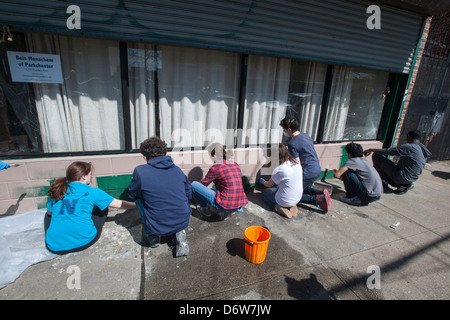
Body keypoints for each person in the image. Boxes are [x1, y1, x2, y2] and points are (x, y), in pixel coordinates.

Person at [45, 161, 136, 254]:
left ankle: (53, 234)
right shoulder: (93, 192)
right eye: (90, 174)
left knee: (48, 214)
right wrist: (137, 205)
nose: (91, 177)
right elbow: (120, 204)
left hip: (54, 246)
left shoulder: (57, 190)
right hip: (83, 241)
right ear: (83, 176)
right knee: (102, 208)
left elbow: (50, 213)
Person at [128, 137, 192, 257]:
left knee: (139, 199)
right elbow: (188, 193)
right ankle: (178, 231)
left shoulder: (140, 171)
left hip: (157, 226)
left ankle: (151, 236)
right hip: (183, 219)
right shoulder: (177, 170)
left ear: (146, 156)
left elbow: (132, 194)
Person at [279, 117, 332, 213]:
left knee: (292, 196)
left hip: (307, 172)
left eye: (284, 129)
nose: (284, 131)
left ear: (289, 130)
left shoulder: (292, 144)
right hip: (316, 169)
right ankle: (320, 193)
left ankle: (317, 199)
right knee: (302, 186)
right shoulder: (305, 136)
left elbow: (297, 164)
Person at [191, 143, 248, 221]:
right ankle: (232, 210)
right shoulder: (235, 164)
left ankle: (204, 209)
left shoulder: (215, 168)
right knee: (214, 191)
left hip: (225, 204)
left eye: (210, 155)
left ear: (214, 155)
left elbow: (203, 184)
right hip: (239, 203)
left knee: (194, 185)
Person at [364, 130, 431, 194]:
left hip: (402, 176)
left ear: (409, 137)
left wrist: (371, 150)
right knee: (389, 165)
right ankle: (404, 185)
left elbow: (389, 151)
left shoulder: (410, 147)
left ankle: (383, 185)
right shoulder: (422, 148)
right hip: (412, 178)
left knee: (377, 156)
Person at [260, 144, 302, 218]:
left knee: (265, 193)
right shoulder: (297, 163)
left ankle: (277, 207)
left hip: (283, 200)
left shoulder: (279, 169)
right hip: (297, 198)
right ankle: (291, 206)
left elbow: (269, 185)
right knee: (279, 188)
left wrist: (262, 181)